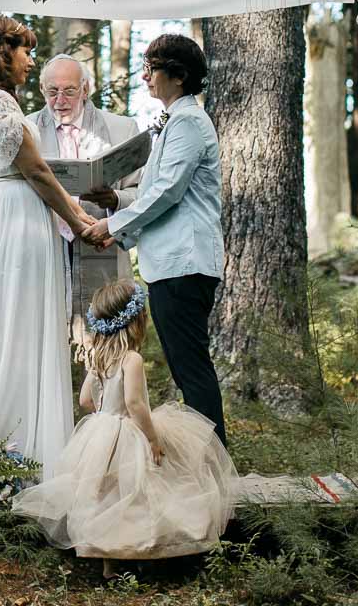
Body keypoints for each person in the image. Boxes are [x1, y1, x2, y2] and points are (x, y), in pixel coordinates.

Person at [0, 17, 108, 470]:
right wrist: (78, 223)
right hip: (16, 218)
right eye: (25, 51)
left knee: (13, 319)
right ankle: (15, 445)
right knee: (17, 320)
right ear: (2, 52)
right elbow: (36, 172)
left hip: (13, 212)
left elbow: (39, 173)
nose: (30, 60)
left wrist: (80, 215)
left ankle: (6, 447)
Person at [11, 279, 236, 568]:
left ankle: (106, 558)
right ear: (135, 322)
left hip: (100, 431)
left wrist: (104, 416)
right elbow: (135, 403)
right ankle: (141, 548)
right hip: (129, 430)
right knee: (139, 492)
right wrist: (152, 438)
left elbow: (85, 400)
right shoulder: (132, 359)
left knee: (104, 494)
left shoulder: (97, 357)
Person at [83, 33, 227, 444]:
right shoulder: (176, 122)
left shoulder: (188, 123)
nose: (145, 76)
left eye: (152, 68)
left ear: (178, 76)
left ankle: (215, 464)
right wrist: (115, 205)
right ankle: (210, 461)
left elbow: (168, 192)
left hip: (184, 262)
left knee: (191, 370)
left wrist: (111, 227)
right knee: (186, 369)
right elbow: (154, 190)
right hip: (172, 263)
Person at [26, 55, 142, 309]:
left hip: (103, 243)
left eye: (69, 91)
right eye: (52, 92)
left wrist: (114, 199)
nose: (60, 101)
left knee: (106, 321)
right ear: (42, 89)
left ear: (85, 89)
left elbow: (143, 195)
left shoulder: (122, 129)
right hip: (45, 244)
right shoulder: (26, 130)